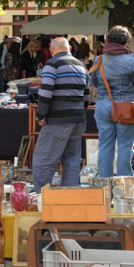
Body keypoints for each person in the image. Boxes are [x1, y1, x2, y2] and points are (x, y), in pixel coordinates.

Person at [32, 37, 90, 193]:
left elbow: (45, 93)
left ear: (52, 49)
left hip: (57, 120)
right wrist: (80, 115)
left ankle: (41, 197)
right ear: (69, 49)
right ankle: (69, 199)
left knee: (44, 160)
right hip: (77, 119)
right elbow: (87, 97)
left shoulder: (52, 64)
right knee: (71, 161)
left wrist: (41, 115)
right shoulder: (81, 66)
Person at [89, 26, 134, 177]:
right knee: (125, 146)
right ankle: (124, 184)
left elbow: (94, 81)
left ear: (108, 40)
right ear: (126, 42)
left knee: (105, 145)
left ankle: (105, 185)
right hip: (125, 107)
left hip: (102, 105)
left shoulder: (99, 59)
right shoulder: (131, 61)